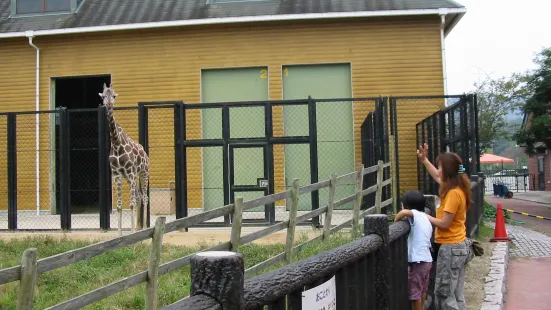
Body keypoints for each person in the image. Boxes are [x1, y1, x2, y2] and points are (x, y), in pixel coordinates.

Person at [417, 143, 473, 310]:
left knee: (445, 294)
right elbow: (436, 176)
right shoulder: (455, 187)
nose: (438, 171)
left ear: (447, 171)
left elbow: (444, 223)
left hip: (450, 248)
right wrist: (424, 160)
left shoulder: (453, 194)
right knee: (456, 293)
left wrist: (422, 216)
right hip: (458, 246)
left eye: (440, 167)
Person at [394, 190, 433, 310]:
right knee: (422, 290)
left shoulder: (414, 214)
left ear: (405, 205)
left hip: (418, 262)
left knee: (415, 294)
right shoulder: (425, 216)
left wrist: (396, 220)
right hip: (427, 260)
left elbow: (405, 212)